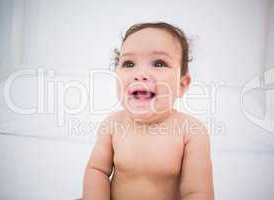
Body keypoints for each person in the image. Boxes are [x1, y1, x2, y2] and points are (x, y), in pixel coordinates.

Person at [82, 22, 214, 200]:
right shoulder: (113, 125)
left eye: (159, 63)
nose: (140, 73)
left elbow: (197, 192)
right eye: (129, 64)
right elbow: (97, 170)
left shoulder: (191, 132)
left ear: (181, 85)